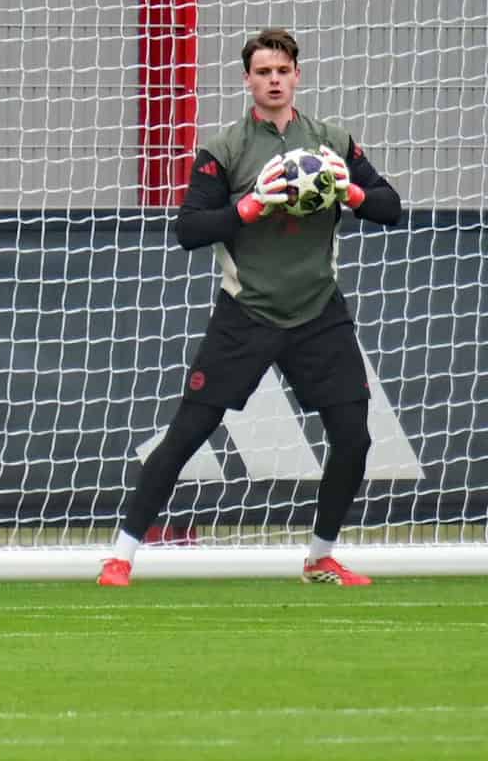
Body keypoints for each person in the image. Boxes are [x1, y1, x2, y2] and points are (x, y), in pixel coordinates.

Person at [99, 28, 402, 587]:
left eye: (282, 71)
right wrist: (250, 206)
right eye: (263, 73)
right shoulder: (226, 148)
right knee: (187, 434)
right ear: (248, 81)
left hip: (318, 312)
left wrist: (349, 192)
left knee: (354, 437)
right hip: (247, 311)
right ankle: (121, 556)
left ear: (297, 75)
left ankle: (319, 558)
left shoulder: (332, 140)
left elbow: (391, 207)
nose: (274, 80)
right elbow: (188, 229)